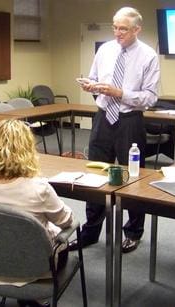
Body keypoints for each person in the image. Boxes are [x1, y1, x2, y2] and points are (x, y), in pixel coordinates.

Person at [73, 7, 160, 253]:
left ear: (136, 29)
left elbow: (151, 97)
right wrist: (91, 86)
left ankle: (133, 232)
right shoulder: (105, 49)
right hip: (103, 118)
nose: (117, 32)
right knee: (94, 176)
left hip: (130, 121)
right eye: (115, 27)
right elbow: (93, 78)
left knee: (133, 178)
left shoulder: (148, 56)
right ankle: (90, 231)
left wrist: (120, 93)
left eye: (123, 28)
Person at [0, 119, 74, 291]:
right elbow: (66, 221)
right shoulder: (39, 188)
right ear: (28, 149)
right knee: (61, 234)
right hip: (35, 267)